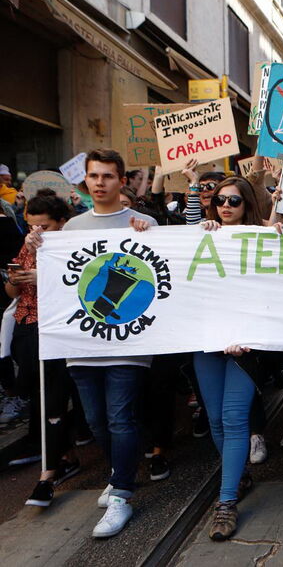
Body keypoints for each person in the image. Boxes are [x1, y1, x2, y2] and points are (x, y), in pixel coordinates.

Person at [23, 149, 157, 538]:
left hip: (128, 342)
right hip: (83, 344)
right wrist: (37, 248)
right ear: (86, 180)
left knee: (119, 417)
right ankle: (119, 474)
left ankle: (122, 494)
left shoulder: (144, 223)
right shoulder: (71, 229)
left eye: (108, 176)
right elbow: (60, 280)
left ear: (122, 181)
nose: (100, 182)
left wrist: (149, 237)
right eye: (94, 176)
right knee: (97, 420)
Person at [195, 176, 269, 540]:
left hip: (246, 344)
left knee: (234, 417)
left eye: (234, 201)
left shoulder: (264, 239)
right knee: (215, 420)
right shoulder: (201, 236)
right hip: (206, 340)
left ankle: (226, 502)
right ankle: (238, 474)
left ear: (247, 205)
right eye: (220, 200)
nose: (225, 206)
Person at [6, 192, 85, 508]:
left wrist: (44, 277)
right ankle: (60, 452)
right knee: (37, 390)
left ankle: (51, 470)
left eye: (44, 226)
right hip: (29, 323)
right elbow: (12, 291)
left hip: (61, 326)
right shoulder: (28, 245)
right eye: (31, 226)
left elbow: (84, 283)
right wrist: (16, 278)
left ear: (62, 223)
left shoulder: (73, 244)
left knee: (56, 394)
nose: (36, 232)